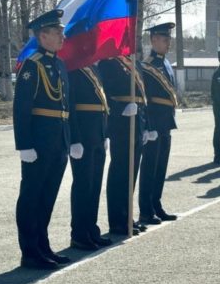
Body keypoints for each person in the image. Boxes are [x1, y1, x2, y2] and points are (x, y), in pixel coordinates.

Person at [13, 9, 72, 269]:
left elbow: (64, 105)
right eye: (57, 32)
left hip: (59, 140)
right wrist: (24, 144)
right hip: (38, 142)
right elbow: (21, 107)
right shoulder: (32, 64)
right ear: (42, 35)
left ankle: (43, 245)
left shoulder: (58, 64)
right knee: (32, 196)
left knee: (47, 196)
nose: (62, 36)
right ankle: (30, 251)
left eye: (61, 31)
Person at [98, 55, 155, 236]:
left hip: (137, 120)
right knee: (120, 172)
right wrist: (119, 109)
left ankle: (127, 216)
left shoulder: (134, 63)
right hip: (121, 122)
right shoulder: (107, 62)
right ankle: (117, 220)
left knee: (131, 173)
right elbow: (104, 93)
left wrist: (145, 126)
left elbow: (142, 97)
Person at [68, 63, 113, 250]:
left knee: (94, 186)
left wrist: (105, 133)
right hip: (83, 136)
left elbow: (102, 105)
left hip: (97, 134)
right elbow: (70, 105)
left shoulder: (95, 69)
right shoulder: (73, 68)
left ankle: (91, 229)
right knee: (83, 185)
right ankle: (79, 233)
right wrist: (74, 138)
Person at [139, 22, 179, 225]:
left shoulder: (165, 64)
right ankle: (146, 210)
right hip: (154, 122)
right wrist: (148, 126)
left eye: (169, 39)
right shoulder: (147, 66)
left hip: (166, 122)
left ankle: (156, 204)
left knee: (161, 167)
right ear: (154, 40)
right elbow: (145, 99)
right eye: (165, 39)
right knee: (149, 168)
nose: (168, 42)